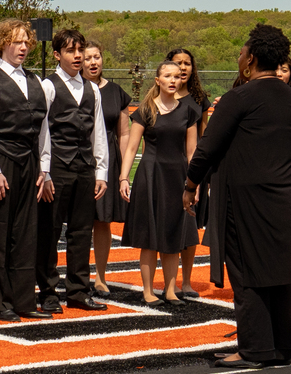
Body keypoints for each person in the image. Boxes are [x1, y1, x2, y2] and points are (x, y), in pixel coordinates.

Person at [184, 23, 291, 368]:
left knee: (247, 272)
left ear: (250, 58)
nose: (239, 57)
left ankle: (254, 349)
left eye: (241, 52)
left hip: (247, 197)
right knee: (279, 273)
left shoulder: (240, 97)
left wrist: (190, 185)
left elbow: (208, 148)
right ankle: (280, 346)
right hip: (285, 194)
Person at [0, 19, 52, 322]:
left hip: (30, 163)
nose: (22, 47)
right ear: (2, 43)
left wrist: (44, 168)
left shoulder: (36, 81)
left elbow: (44, 128)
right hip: (2, 161)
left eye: (26, 42)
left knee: (25, 235)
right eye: (16, 41)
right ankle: (1, 302)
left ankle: (24, 301)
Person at [38, 29, 109, 313]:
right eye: (71, 50)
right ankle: (47, 291)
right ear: (57, 55)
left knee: (82, 232)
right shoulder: (48, 86)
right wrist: (45, 172)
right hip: (56, 167)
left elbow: (99, 132)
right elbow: (42, 131)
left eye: (80, 49)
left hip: (84, 168)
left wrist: (101, 171)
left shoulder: (92, 89)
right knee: (50, 232)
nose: (78, 55)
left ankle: (79, 291)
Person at [119, 61, 199, 306]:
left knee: (174, 234)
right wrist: (124, 178)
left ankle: (171, 290)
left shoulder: (188, 111)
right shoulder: (145, 110)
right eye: (167, 76)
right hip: (150, 176)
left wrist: (193, 185)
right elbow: (132, 148)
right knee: (149, 236)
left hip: (178, 177)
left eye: (177, 76)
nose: (173, 80)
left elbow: (192, 151)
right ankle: (147, 291)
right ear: (158, 80)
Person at [83, 41, 131, 299]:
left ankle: (100, 277)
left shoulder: (116, 92)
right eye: (88, 57)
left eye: (97, 57)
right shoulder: (74, 88)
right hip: (79, 158)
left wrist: (123, 169)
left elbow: (124, 133)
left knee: (102, 221)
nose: (93, 62)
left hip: (109, 161)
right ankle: (76, 275)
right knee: (79, 221)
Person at [166, 48, 211, 300]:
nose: (182, 68)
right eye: (177, 63)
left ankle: (186, 282)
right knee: (168, 225)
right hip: (165, 168)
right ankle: (168, 283)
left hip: (191, 170)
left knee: (190, 226)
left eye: (187, 63)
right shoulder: (159, 97)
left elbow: (204, 138)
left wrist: (201, 174)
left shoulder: (199, 100)